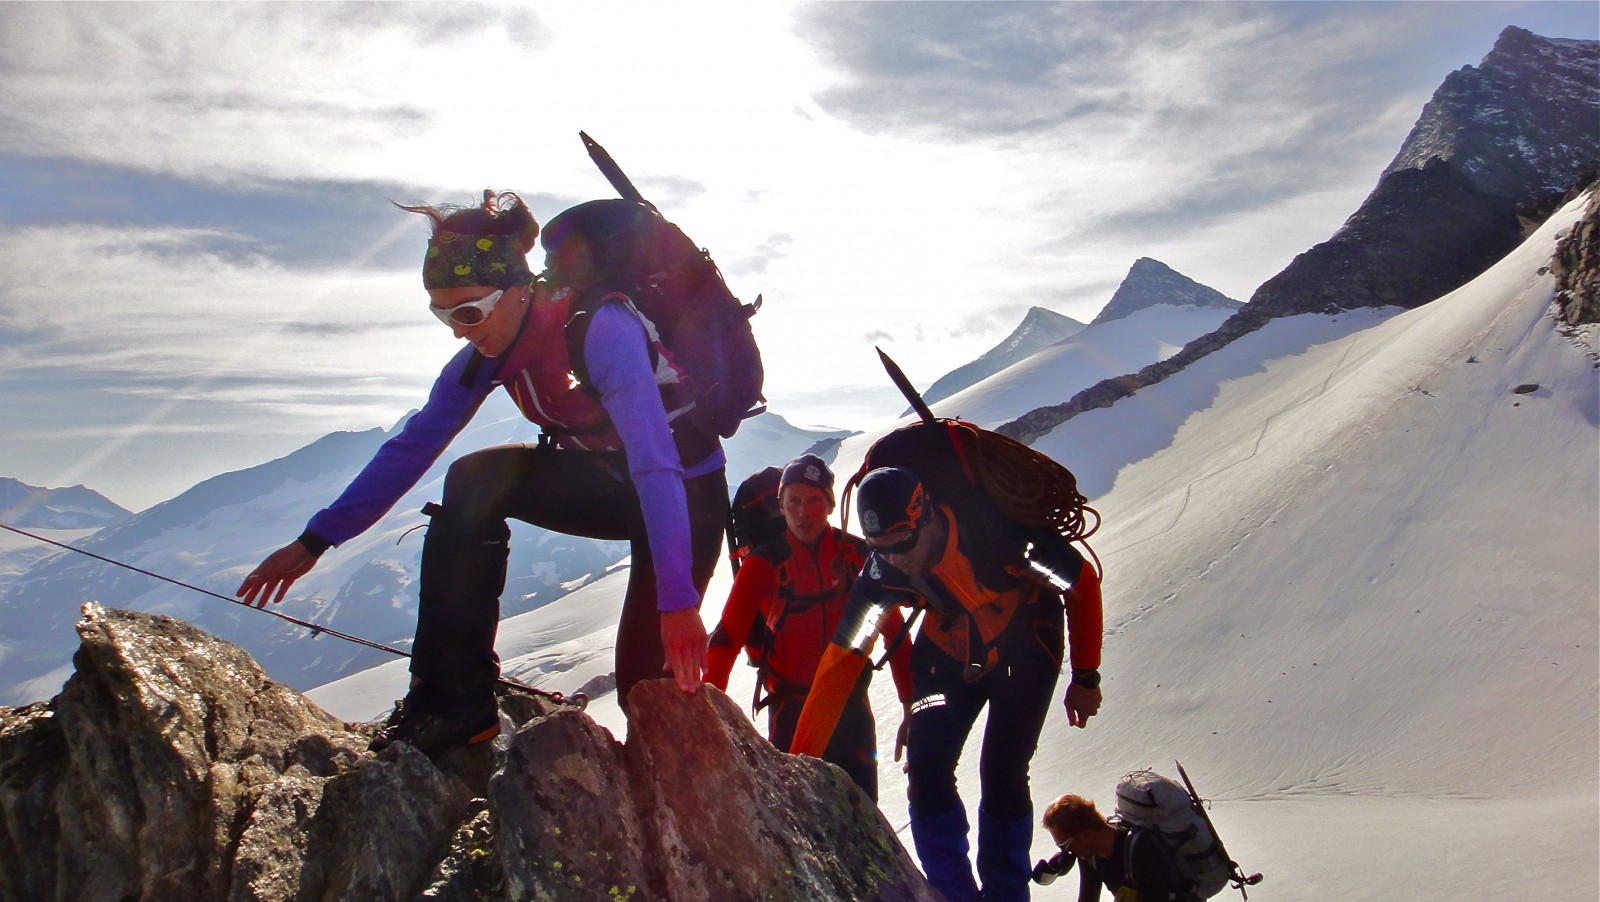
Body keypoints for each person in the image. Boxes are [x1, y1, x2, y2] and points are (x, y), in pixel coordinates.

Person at [236, 191, 728, 758]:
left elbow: (656, 462)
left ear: (519, 291)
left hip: (684, 497)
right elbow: (413, 446)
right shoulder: (490, 352)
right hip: (613, 484)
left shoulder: (603, 330)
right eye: (442, 314)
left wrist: (678, 601)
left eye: (468, 311)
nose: (457, 330)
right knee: (473, 478)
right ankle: (455, 703)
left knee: (647, 686)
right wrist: (315, 539)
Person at [790, 465, 1104, 902]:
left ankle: (1005, 894)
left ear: (928, 517)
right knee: (925, 770)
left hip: (1028, 647)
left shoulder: (1001, 535)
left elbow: (1080, 584)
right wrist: (793, 766)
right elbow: (841, 664)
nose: (895, 557)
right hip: (947, 656)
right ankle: (952, 894)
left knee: (1003, 771)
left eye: (901, 543)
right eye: (880, 548)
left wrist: (1086, 676)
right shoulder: (881, 574)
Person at [704, 454, 914, 801]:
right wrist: (705, 713)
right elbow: (726, 640)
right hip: (791, 714)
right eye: (794, 502)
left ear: (830, 504)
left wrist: (911, 705)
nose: (803, 512)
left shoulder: (858, 557)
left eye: (814, 500)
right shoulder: (761, 566)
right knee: (800, 816)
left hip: (852, 711)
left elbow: (895, 634)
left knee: (862, 811)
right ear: (782, 507)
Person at [1038, 794, 1196, 902]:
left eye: (1064, 845)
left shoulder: (1141, 849)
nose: (1066, 853)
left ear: (1085, 835)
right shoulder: (1090, 858)